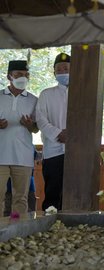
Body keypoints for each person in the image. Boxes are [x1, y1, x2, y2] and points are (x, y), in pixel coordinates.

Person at [0, 60, 38, 215]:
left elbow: (36, 129)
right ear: (9, 76)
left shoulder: (33, 100)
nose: (23, 78)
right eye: (19, 75)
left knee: (20, 199)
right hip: (0, 155)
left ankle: (17, 231)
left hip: (23, 156)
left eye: (26, 75)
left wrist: (29, 125)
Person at [36, 53, 70, 210]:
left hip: (76, 152)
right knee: (52, 192)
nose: (63, 72)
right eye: (59, 69)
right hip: (53, 151)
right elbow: (41, 119)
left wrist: (73, 136)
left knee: (74, 192)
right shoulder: (46, 94)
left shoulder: (83, 93)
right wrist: (58, 133)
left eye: (66, 68)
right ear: (54, 72)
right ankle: (49, 228)